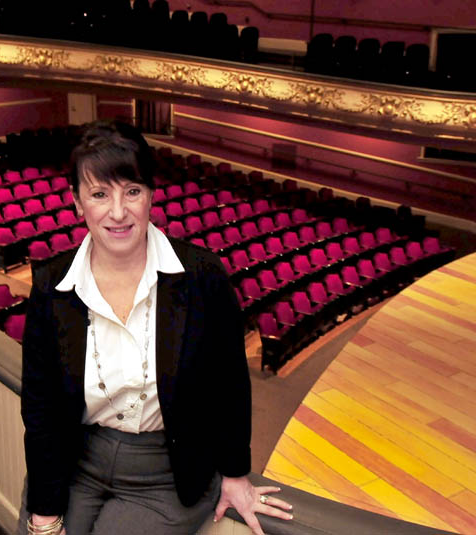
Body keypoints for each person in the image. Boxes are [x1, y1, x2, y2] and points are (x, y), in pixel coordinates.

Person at [20, 120, 293, 535]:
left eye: (132, 191)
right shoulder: (51, 286)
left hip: (167, 472)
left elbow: (230, 384)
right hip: (76, 460)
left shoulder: (203, 276)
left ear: (151, 195)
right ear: (76, 201)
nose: (117, 212)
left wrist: (236, 474)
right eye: (99, 194)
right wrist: (43, 515)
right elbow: (40, 410)